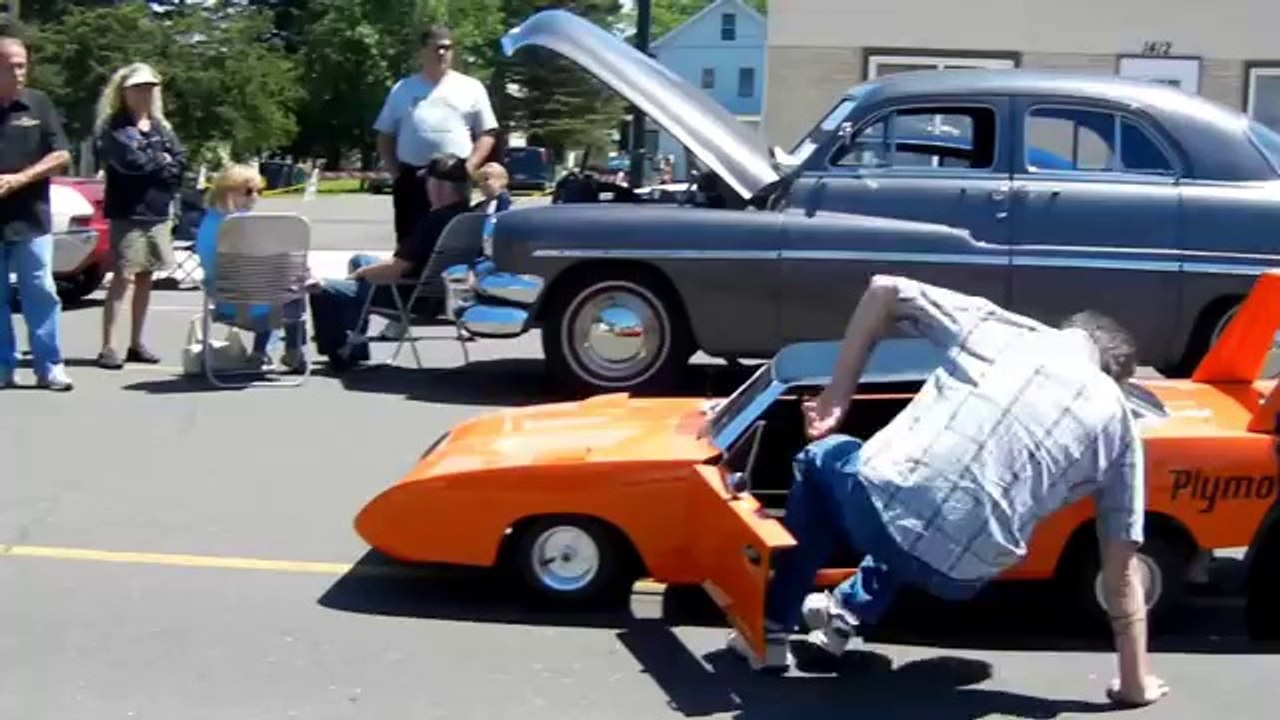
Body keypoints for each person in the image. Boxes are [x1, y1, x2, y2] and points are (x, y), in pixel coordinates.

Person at [728, 274, 1168, 708]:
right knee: (922, 506)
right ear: (1116, 377)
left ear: (1071, 332)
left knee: (828, 461)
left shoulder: (1011, 334)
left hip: (887, 505)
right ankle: (844, 614)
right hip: (966, 573)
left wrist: (838, 395)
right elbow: (1121, 570)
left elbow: (884, 289)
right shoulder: (1120, 425)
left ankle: (771, 627)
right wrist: (1135, 683)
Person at [308, 154, 473, 369]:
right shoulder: (469, 218)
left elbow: (396, 269)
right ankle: (355, 339)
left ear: (439, 186)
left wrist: (360, 275)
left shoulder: (432, 222)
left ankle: (343, 351)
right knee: (361, 259)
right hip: (442, 294)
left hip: (410, 296)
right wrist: (366, 268)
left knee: (322, 287)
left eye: (428, 182)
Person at [94, 62, 186, 369]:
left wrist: (160, 163)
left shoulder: (161, 127)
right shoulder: (115, 128)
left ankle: (136, 343)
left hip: (158, 211)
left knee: (147, 276)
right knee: (124, 276)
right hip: (127, 211)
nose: (145, 94)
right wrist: (160, 162)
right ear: (124, 92)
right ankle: (109, 345)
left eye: (150, 88)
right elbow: (130, 164)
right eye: (138, 88)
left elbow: (179, 162)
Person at [373, 24, 498, 245]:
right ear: (422, 51)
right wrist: (396, 173)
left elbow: (487, 132)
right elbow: (385, 135)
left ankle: (446, 279)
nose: (442, 53)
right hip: (413, 178)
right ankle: (410, 278)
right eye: (435, 48)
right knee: (410, 242)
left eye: (447, 48)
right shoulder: (403, 89)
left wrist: (470, 166)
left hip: (453, 179)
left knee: (451, 239)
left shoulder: (471, 87)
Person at [0, 29, 74, 391]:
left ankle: (50, 365)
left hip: (32, 217)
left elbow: (61, 154)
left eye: (22, 66)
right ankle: (3, 366)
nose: (18, 73)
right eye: (11, 66)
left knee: (40, 291)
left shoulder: (38, 103)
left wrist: (20, 178)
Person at [194, 164, 308, 374]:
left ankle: (261, 353)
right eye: (248, 191)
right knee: (293, 289)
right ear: (228, 192)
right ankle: (292, 349)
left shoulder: (208, 223)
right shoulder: (243, 226)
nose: (255, 197)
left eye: (258, 191)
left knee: (269, 287)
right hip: (253, 307)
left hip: (224, 302)